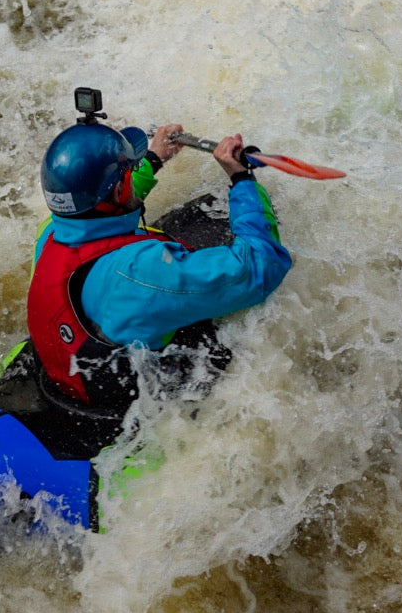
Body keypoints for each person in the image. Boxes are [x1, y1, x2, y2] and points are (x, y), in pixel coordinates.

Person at [26, 121, 292, 410]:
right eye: (129, 170)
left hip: (72, 371)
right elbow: (260, 266)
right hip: (126, 405)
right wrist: (241, 179)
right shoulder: (140, 272)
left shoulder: (49, 233)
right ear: (117, 190)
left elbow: (106, 207)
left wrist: (153, 160)